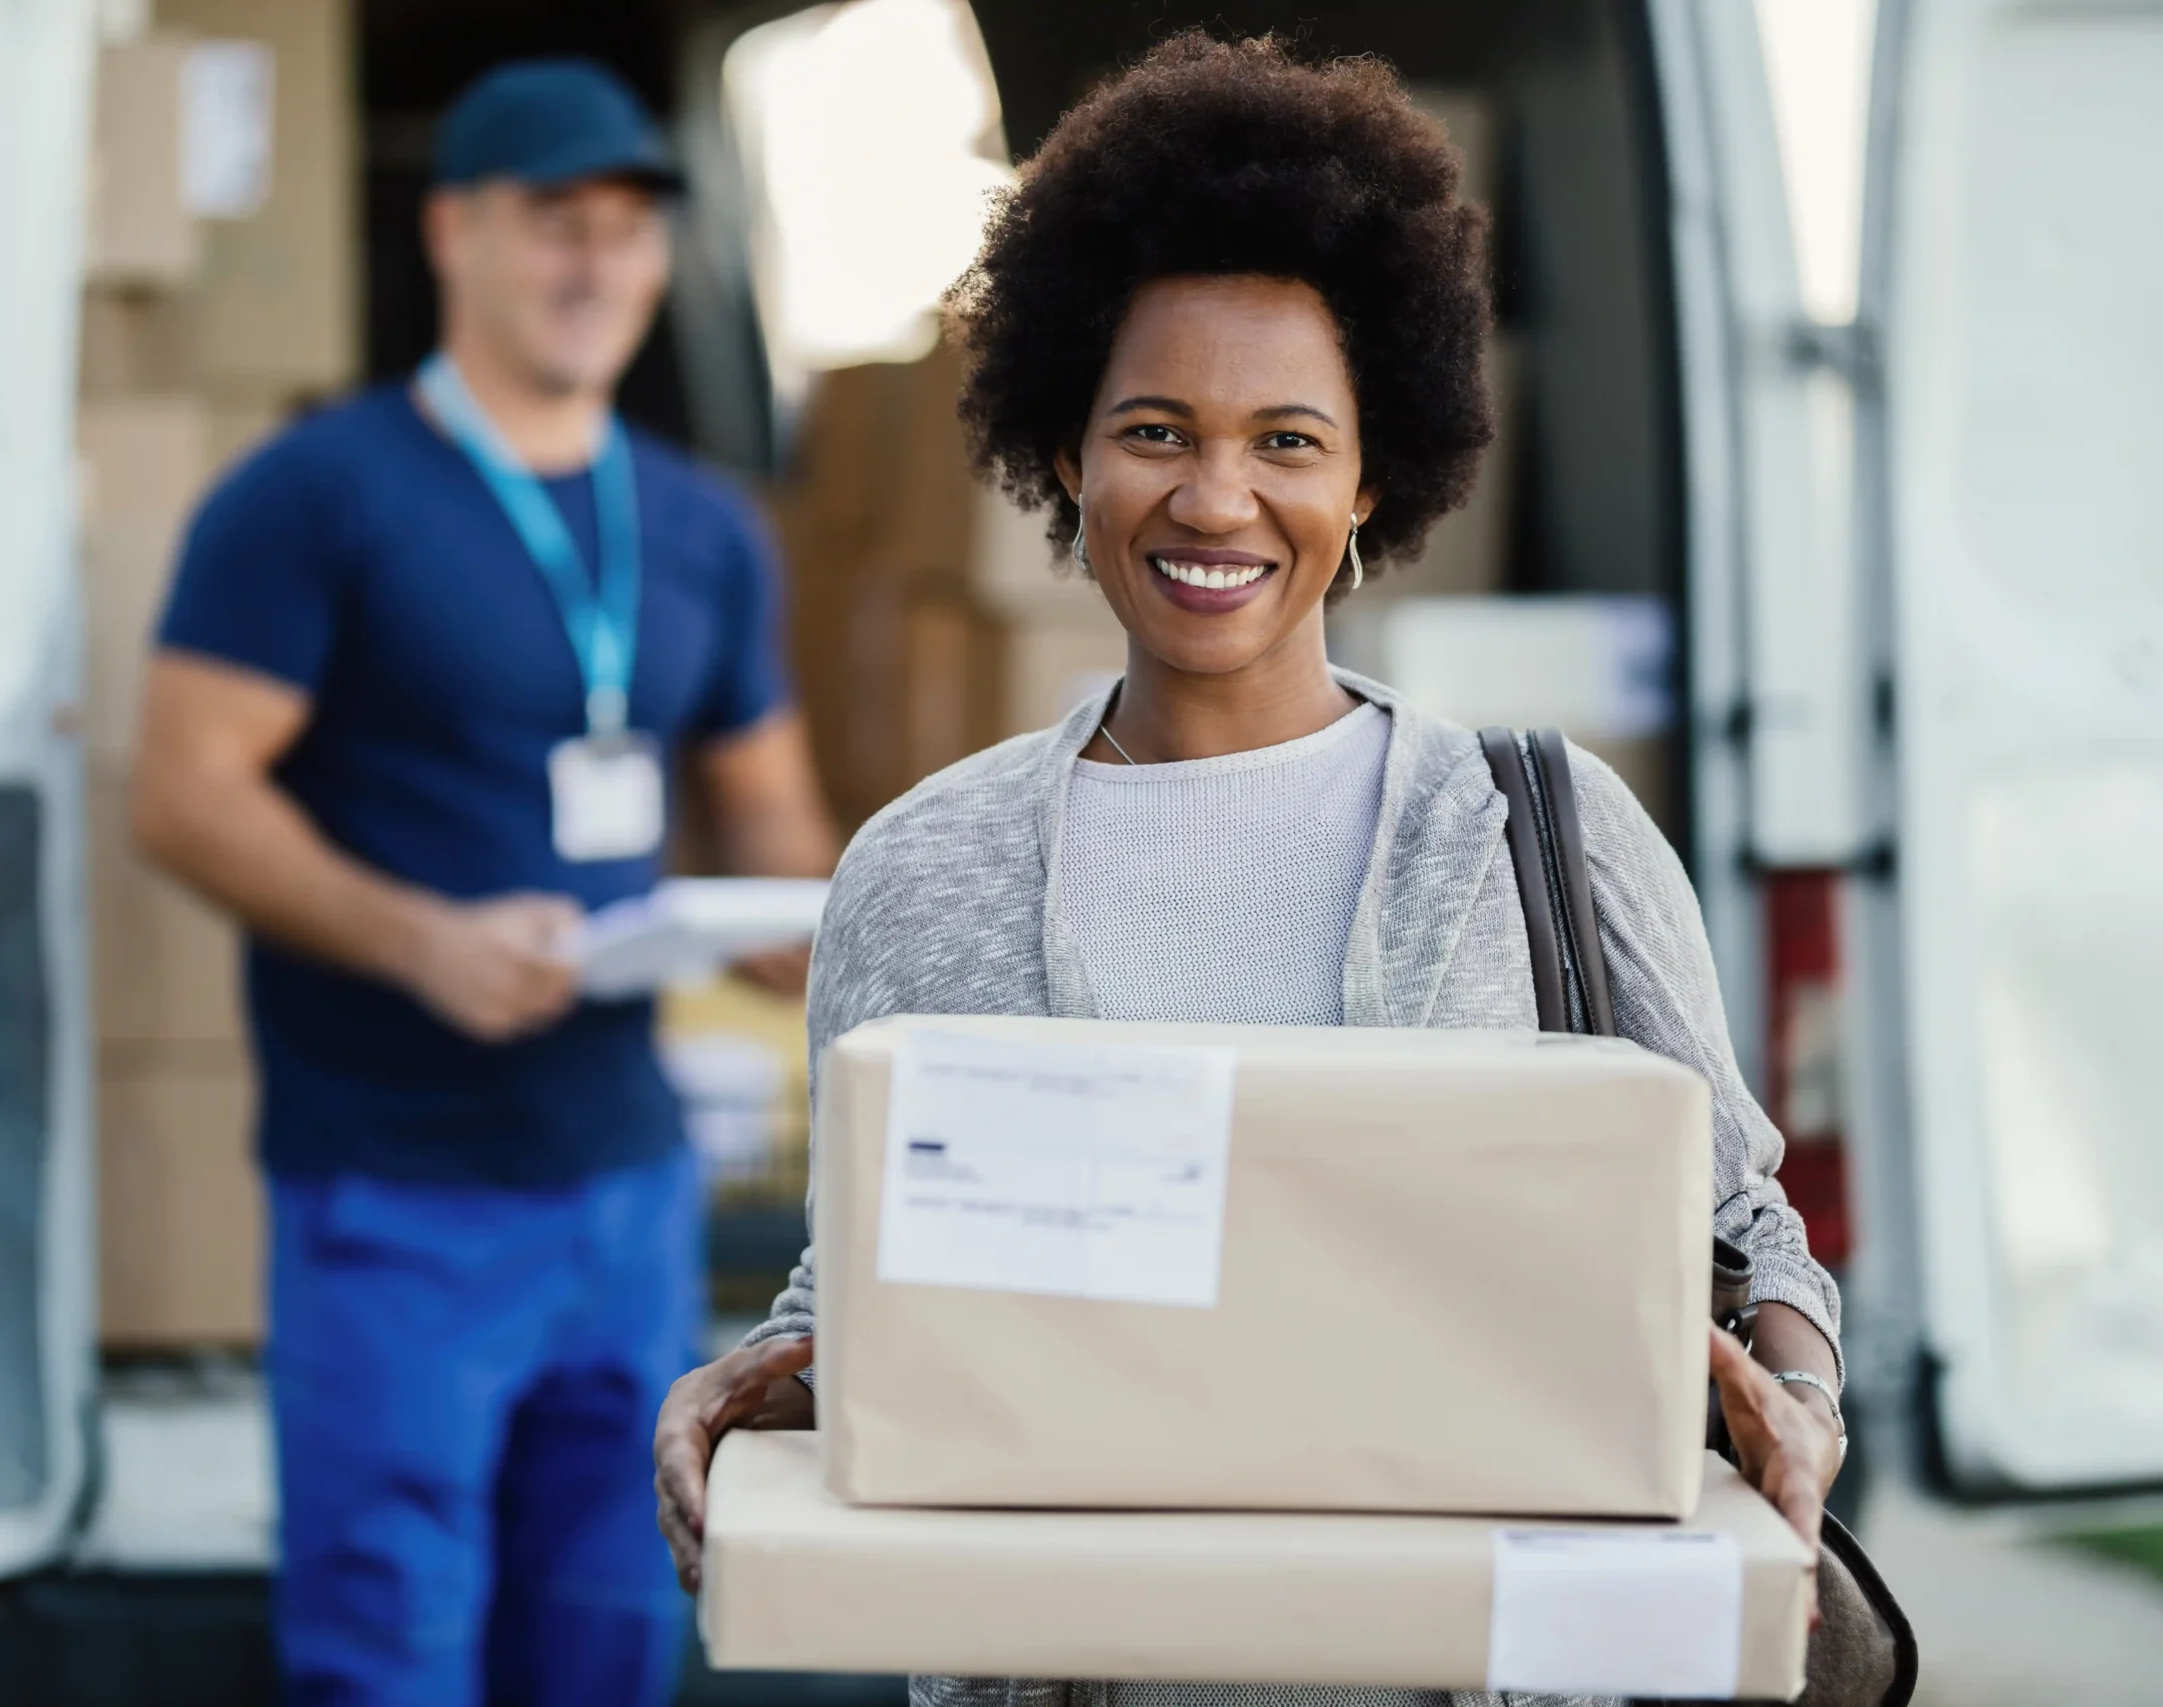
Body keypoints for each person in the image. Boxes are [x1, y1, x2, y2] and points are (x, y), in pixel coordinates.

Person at [653, 34, 1845, 1707]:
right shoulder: (924, 867)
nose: (1218, 497)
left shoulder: (1542, 830)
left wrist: (1795, 1403)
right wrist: (762, 1374)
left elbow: (1744, 1224)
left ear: (1373, 478)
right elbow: (874, 1270)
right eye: (1155, 427)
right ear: (1066, 451)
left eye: (1289, 440)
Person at [132, 55, 836, 1707]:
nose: (598, 264)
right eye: (553, 223)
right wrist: (421, 939)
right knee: (390, 1645)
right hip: (394, 1187)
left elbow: (772, 820)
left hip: (624, 1187)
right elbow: (182, 792)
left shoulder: (706, 527)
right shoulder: (318, 492)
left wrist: (795, 934)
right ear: (452, 232)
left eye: (629, 229)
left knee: (610, 1630)